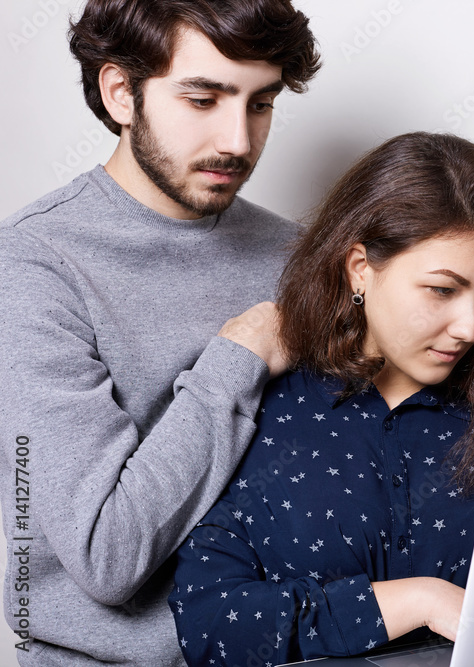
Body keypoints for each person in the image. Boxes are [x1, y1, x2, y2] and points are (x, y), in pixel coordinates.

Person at [0, 1, 320, 664]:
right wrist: (238, 359)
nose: (237, 139)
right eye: (203, 100)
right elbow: (106, 554)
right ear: (122, 92)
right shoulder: (35, 265)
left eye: (260, 104)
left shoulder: (298, 255)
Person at [169, 131, 474, 664]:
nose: (469, 326)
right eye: (443, 290)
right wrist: (419, 601)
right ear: (360, 269)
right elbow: (210, 625)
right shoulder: (265, 406)